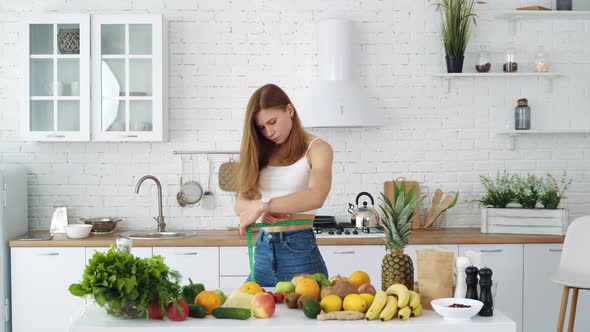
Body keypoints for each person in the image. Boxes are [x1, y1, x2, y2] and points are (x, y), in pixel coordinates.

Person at [235, 83, 333, 287]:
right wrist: (260, 211)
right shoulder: (258, 151)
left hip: (299, 251)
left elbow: (316, 196)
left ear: (290, 110)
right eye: (262, 127)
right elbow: (240, 204)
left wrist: (263, 206)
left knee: (306, 317)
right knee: (248, 313)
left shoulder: (318, 148)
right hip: (262, 251)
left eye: (272, 122)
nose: (269, 132)